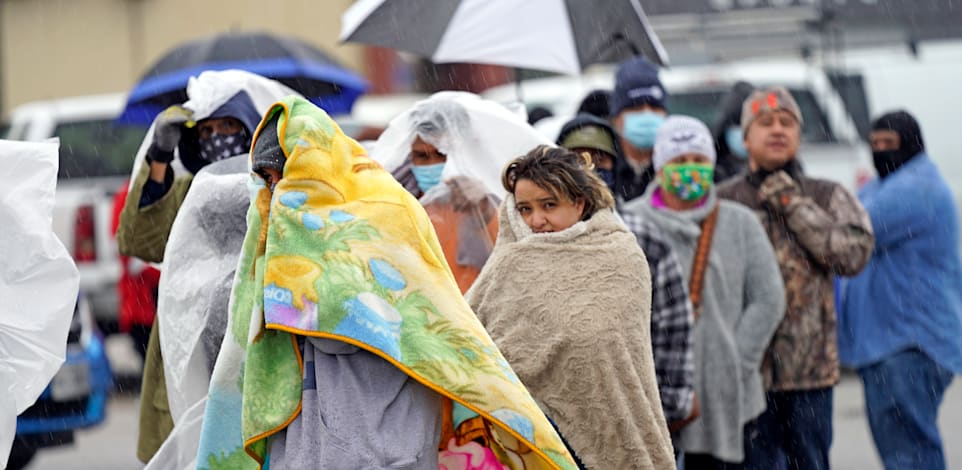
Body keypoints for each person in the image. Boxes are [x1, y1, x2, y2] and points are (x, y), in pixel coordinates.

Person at [195, 96, 579, 470]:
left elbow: (394, 322)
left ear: (315, 168)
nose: (275, 190)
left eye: (283, 176)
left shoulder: (386, 213)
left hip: (390, 428)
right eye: (265, 179)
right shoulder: (274, 233)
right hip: (315, 430)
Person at [115, 69, 298, 463]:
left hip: (256, 344)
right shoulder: (187, 193)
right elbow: (137, 239)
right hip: (191, 346)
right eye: (208, 129)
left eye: (229, 125)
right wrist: (159, 156)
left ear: (251, 129)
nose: (218, 137)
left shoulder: (276, 189)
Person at [466, 145, 675, 469]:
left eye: (549, 205)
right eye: (524, 209)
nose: (536, 220)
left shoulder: (619, 254)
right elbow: (470, 335)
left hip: (599, 429)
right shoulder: (509, 262)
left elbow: (605, 345)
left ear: (579, 202)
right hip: (524, 431)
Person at [717, 87, 874, 470]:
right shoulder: (722, 200)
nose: (777, 130)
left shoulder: (826, 194)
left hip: (809, 378)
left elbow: (852, 255)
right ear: (745, 137)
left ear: (798, 135)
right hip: (745, 374)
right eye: (765, 123)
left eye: (787, 123)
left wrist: (791, 204)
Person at [620, 116, 785, 468]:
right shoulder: (630, 224)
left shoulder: (740, 222)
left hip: (732, 397)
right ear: (660, 166)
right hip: (659, 394)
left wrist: (735, 362)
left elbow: (768, 298)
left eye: (698, 161)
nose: (689, 169)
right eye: (679, 162)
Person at [560, 114, 697, 441]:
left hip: (640, 422)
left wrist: (659, 413)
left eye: (600, 158)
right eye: (576, 158)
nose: (589, 167)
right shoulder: (541, 238)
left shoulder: (644, 237)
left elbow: (673, 328)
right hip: (566, 427)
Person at [838, 110, 962, 470]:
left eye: (889, 144)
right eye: (874, 144)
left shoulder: (916, 187)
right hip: (892, 342)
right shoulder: (884, 185)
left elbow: (849, 229)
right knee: (903, 447)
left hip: (908, 343)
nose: (880, 151)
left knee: (909, 451)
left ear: (911, 144)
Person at [374, 91, 548, 293]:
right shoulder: (393, 197)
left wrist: (484, 209)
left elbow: (513, 260)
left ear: (464, 152)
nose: (432, 165)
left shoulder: (494, 199)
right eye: (421, 156)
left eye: (442, 154)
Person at [110, 181, 160, 363]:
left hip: (157, 304)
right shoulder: (128, 195)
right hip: (143, 310)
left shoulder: (175, 186)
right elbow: (124, 251)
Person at [609, 56, 669, 202]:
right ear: (616, 118)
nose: (647, 114)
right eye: (636, 108)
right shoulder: (604, 166)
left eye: (654, 107)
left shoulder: (676, 165)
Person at [711, 81, 755, 183]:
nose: (743, 132)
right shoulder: (711, 168)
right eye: (737, 124)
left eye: (748, 126)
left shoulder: (776, 164)